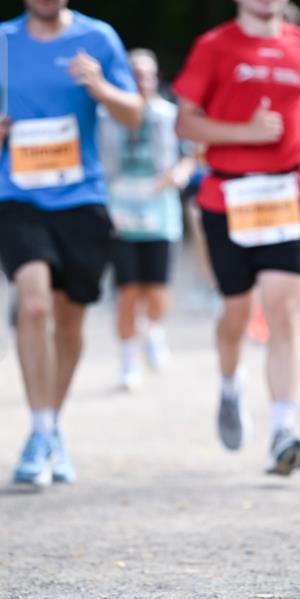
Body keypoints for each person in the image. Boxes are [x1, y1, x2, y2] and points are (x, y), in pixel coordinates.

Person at [0, 0, 142, 486]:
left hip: (82, 199)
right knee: (34, 305)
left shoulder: (98, 38)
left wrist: (99, 87)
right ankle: (40, 430)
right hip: (17, 195)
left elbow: (135, 114)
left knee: (69, 320)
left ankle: (52, 426)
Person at [174, 0, 300, 474]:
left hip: (288, 191)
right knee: (236, 315)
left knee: (283, 310)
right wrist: (243, 131)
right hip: (228, 195)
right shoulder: (214, 46)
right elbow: (185, 122)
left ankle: (283, 431)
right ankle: (229, 385)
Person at [100, 48, 194, 390]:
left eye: (147, 74)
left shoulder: (170, 115)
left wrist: (179, 174)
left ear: (156, 78)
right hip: (120, 214)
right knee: (126, 293)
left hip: (160, 214)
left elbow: (191, 157)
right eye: (134, 73)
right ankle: (128, 360)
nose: (141, 80)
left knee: (156, 294)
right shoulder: (105, 116)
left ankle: (152, 329)